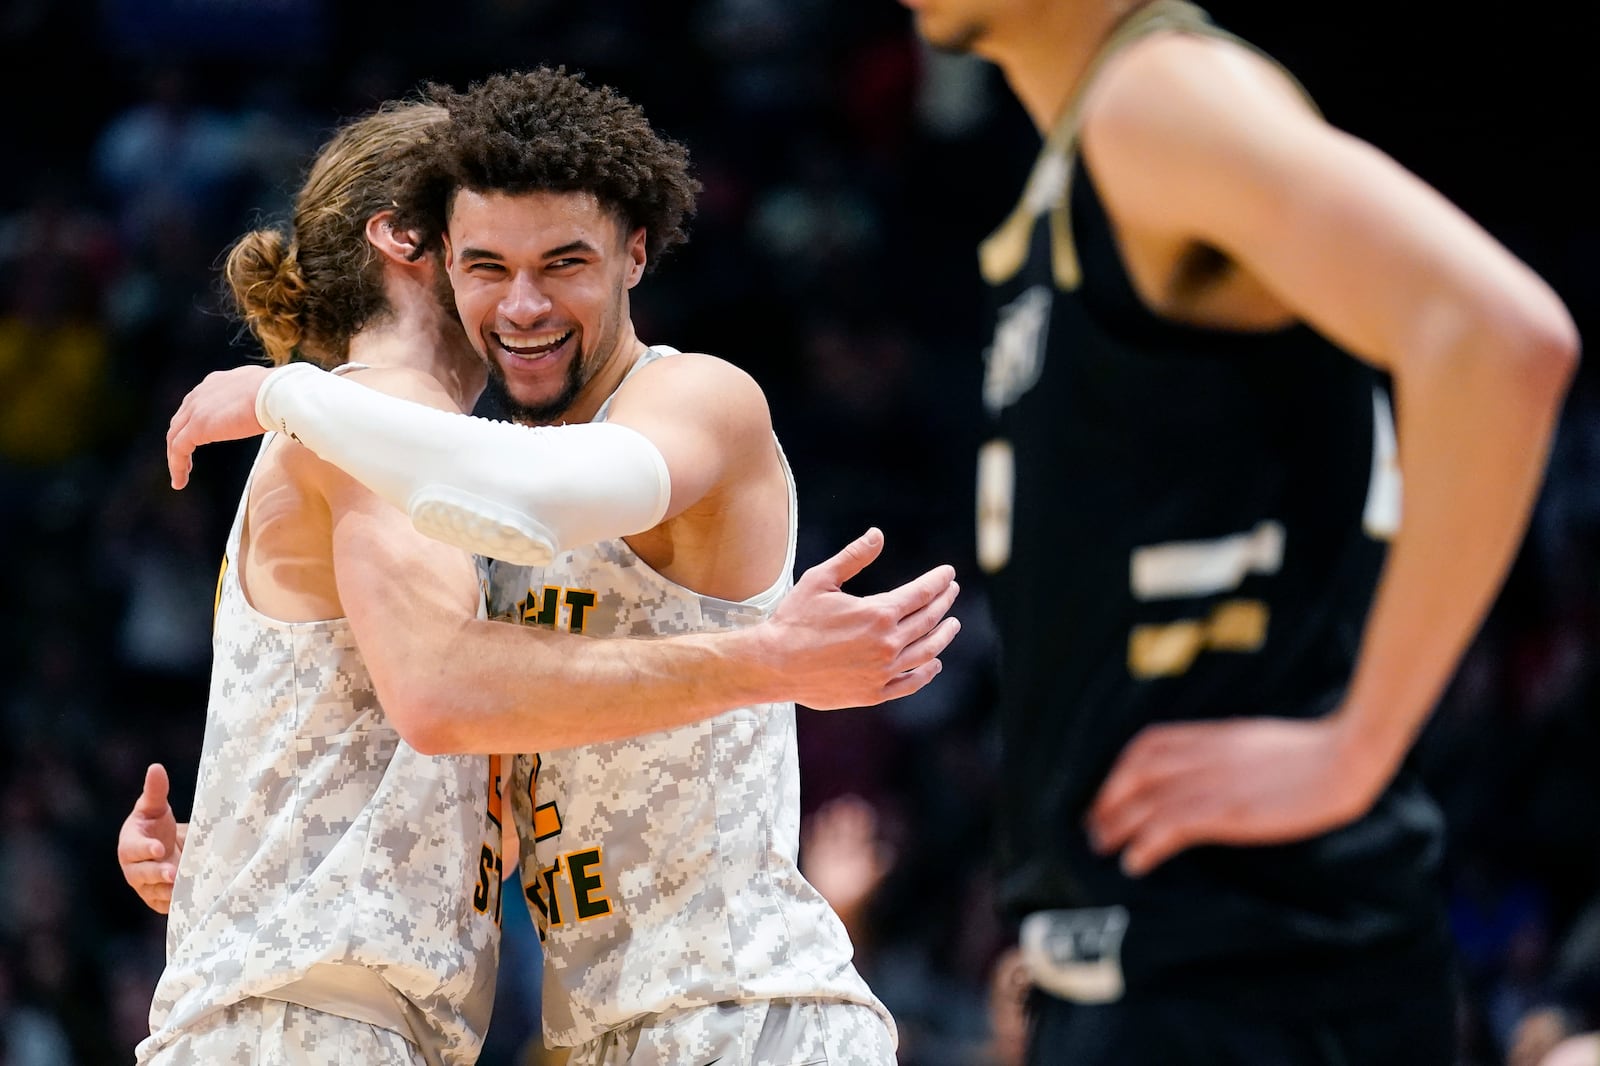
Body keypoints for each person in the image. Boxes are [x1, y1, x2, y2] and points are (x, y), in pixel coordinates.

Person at [130, 68, 947, 1065]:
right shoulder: (419, 456)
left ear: (633, 255)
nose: (521, 304)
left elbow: (533, 514)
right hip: (535, 1028)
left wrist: (284, 395)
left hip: (740, 1007)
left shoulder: (690, 396)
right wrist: (243, 853)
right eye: (489, 264)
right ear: (422, 246)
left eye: (562, 262)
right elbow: (470, 751)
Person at [898, 0, 1580, 1063]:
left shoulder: (1156, 97)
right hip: (1150, 966)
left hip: (1253, 968)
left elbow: (1497, 338)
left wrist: (1357, 745)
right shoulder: (1081, 163)